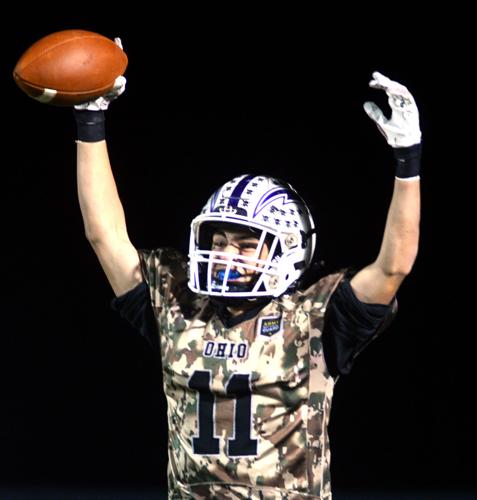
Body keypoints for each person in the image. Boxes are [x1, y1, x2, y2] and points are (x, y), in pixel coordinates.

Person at [72, 45, 421, 499]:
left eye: (245, 243)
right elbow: (105, 237)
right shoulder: (178, 303)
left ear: (288, 251)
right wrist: (90, 121)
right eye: (218, 241)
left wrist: (407, 163)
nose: (226, 253)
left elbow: (394, 266)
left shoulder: (312, 316)